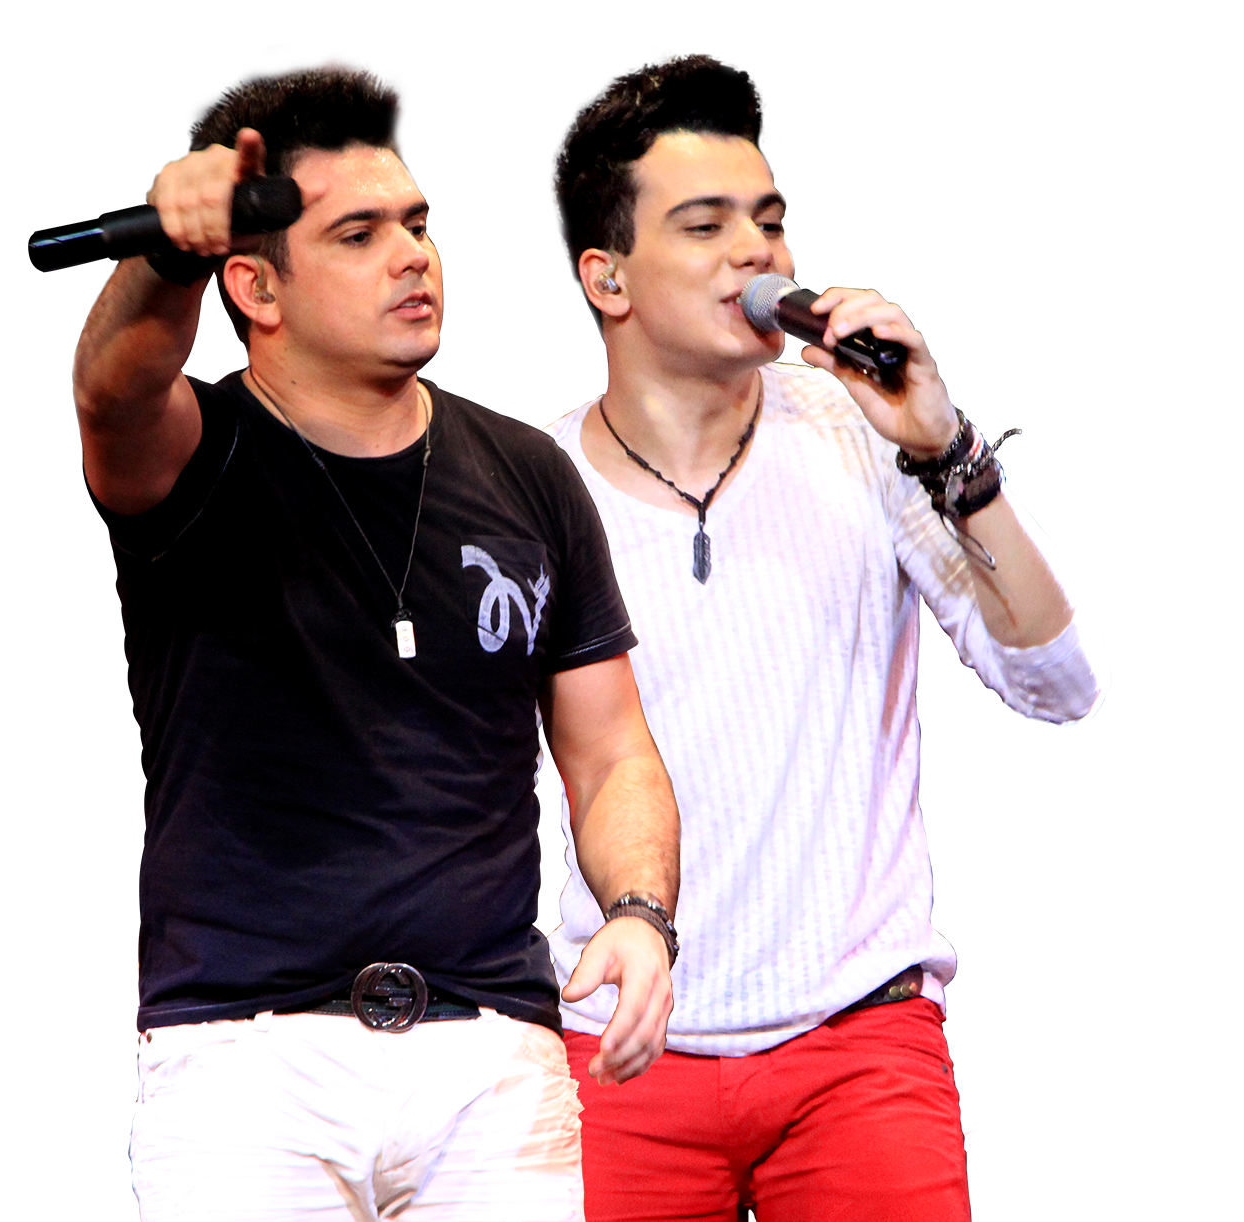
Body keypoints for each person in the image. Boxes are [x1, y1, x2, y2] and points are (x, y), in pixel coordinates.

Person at [73, 60, 680, 1222]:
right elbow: (113, 388)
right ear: (253, 284)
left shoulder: (531, 475)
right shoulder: (192, 455)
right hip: (245, 1063)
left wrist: (641, 913)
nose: (413, 256)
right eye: (359, 235)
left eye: (416, 224)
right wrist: (164, 252)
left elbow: (611, 753)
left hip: (493, 1057)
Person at [545, 48, 1110, 1222]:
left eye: (766, 222)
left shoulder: (860, 436)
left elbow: (1062, 684)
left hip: (859, 1038)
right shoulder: (530, 491)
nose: (757, 254)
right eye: (705, 225)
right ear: (607, 277)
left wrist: (945, 448)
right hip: (611, 1041)